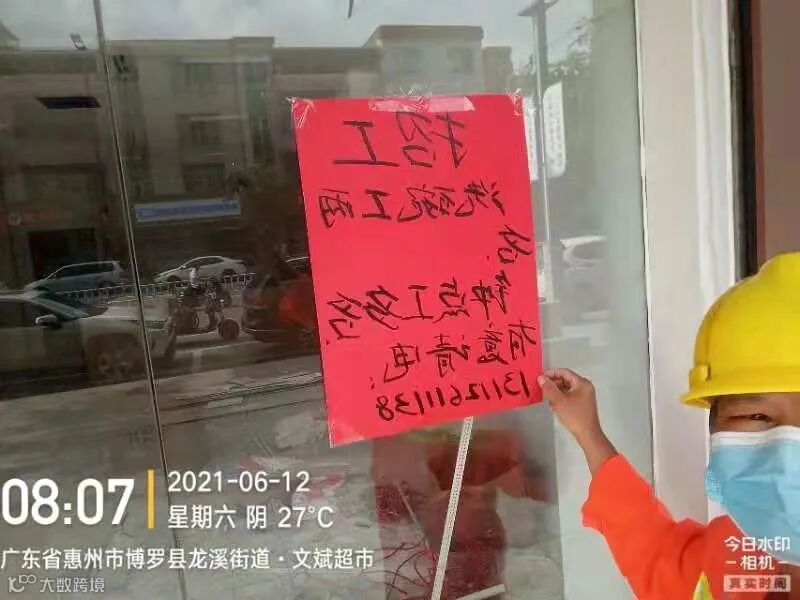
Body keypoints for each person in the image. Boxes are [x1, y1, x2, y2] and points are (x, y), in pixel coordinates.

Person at [539, 252, 800, 600]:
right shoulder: (735, 559)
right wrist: (588, 432)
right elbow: (651, 549)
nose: (786, 458)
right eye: (757, 417)